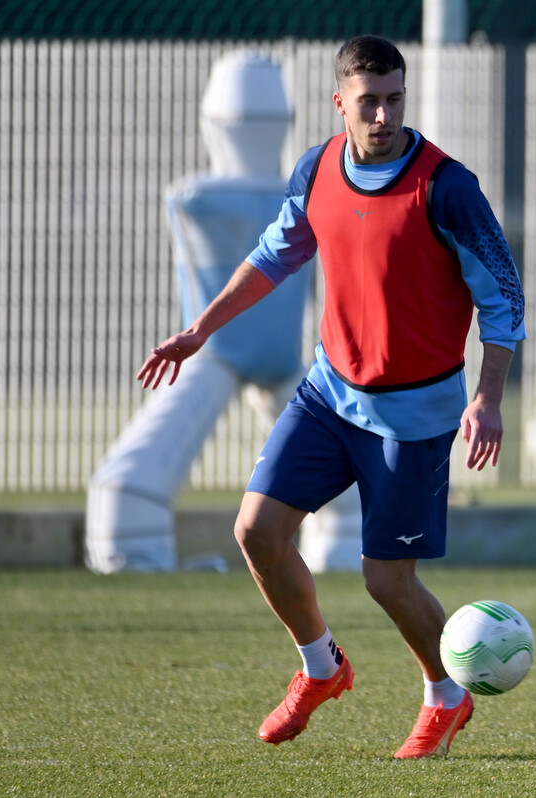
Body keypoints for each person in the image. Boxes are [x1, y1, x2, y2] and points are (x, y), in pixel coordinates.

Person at [138, 34, 526, 759]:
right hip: (328, 394)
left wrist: (488, 396)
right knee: (256, 532)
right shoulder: (317, 166)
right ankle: (322, 668)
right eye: (368, 101)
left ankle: (444, 695)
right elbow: (272, 255)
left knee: (385, 580)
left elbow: (502, 298)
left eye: (394, 99)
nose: (383, 115)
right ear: (339, 102)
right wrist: (199, 329)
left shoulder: (447, 187)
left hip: (413, 416)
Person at [85, 50, 362, 575]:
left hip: (224, 353)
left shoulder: (198, 197)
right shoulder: (303, 189)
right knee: (354, 487)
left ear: (215, 121)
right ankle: (344, 550)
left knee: (126, 486)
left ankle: (133, 552)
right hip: (253, 356)